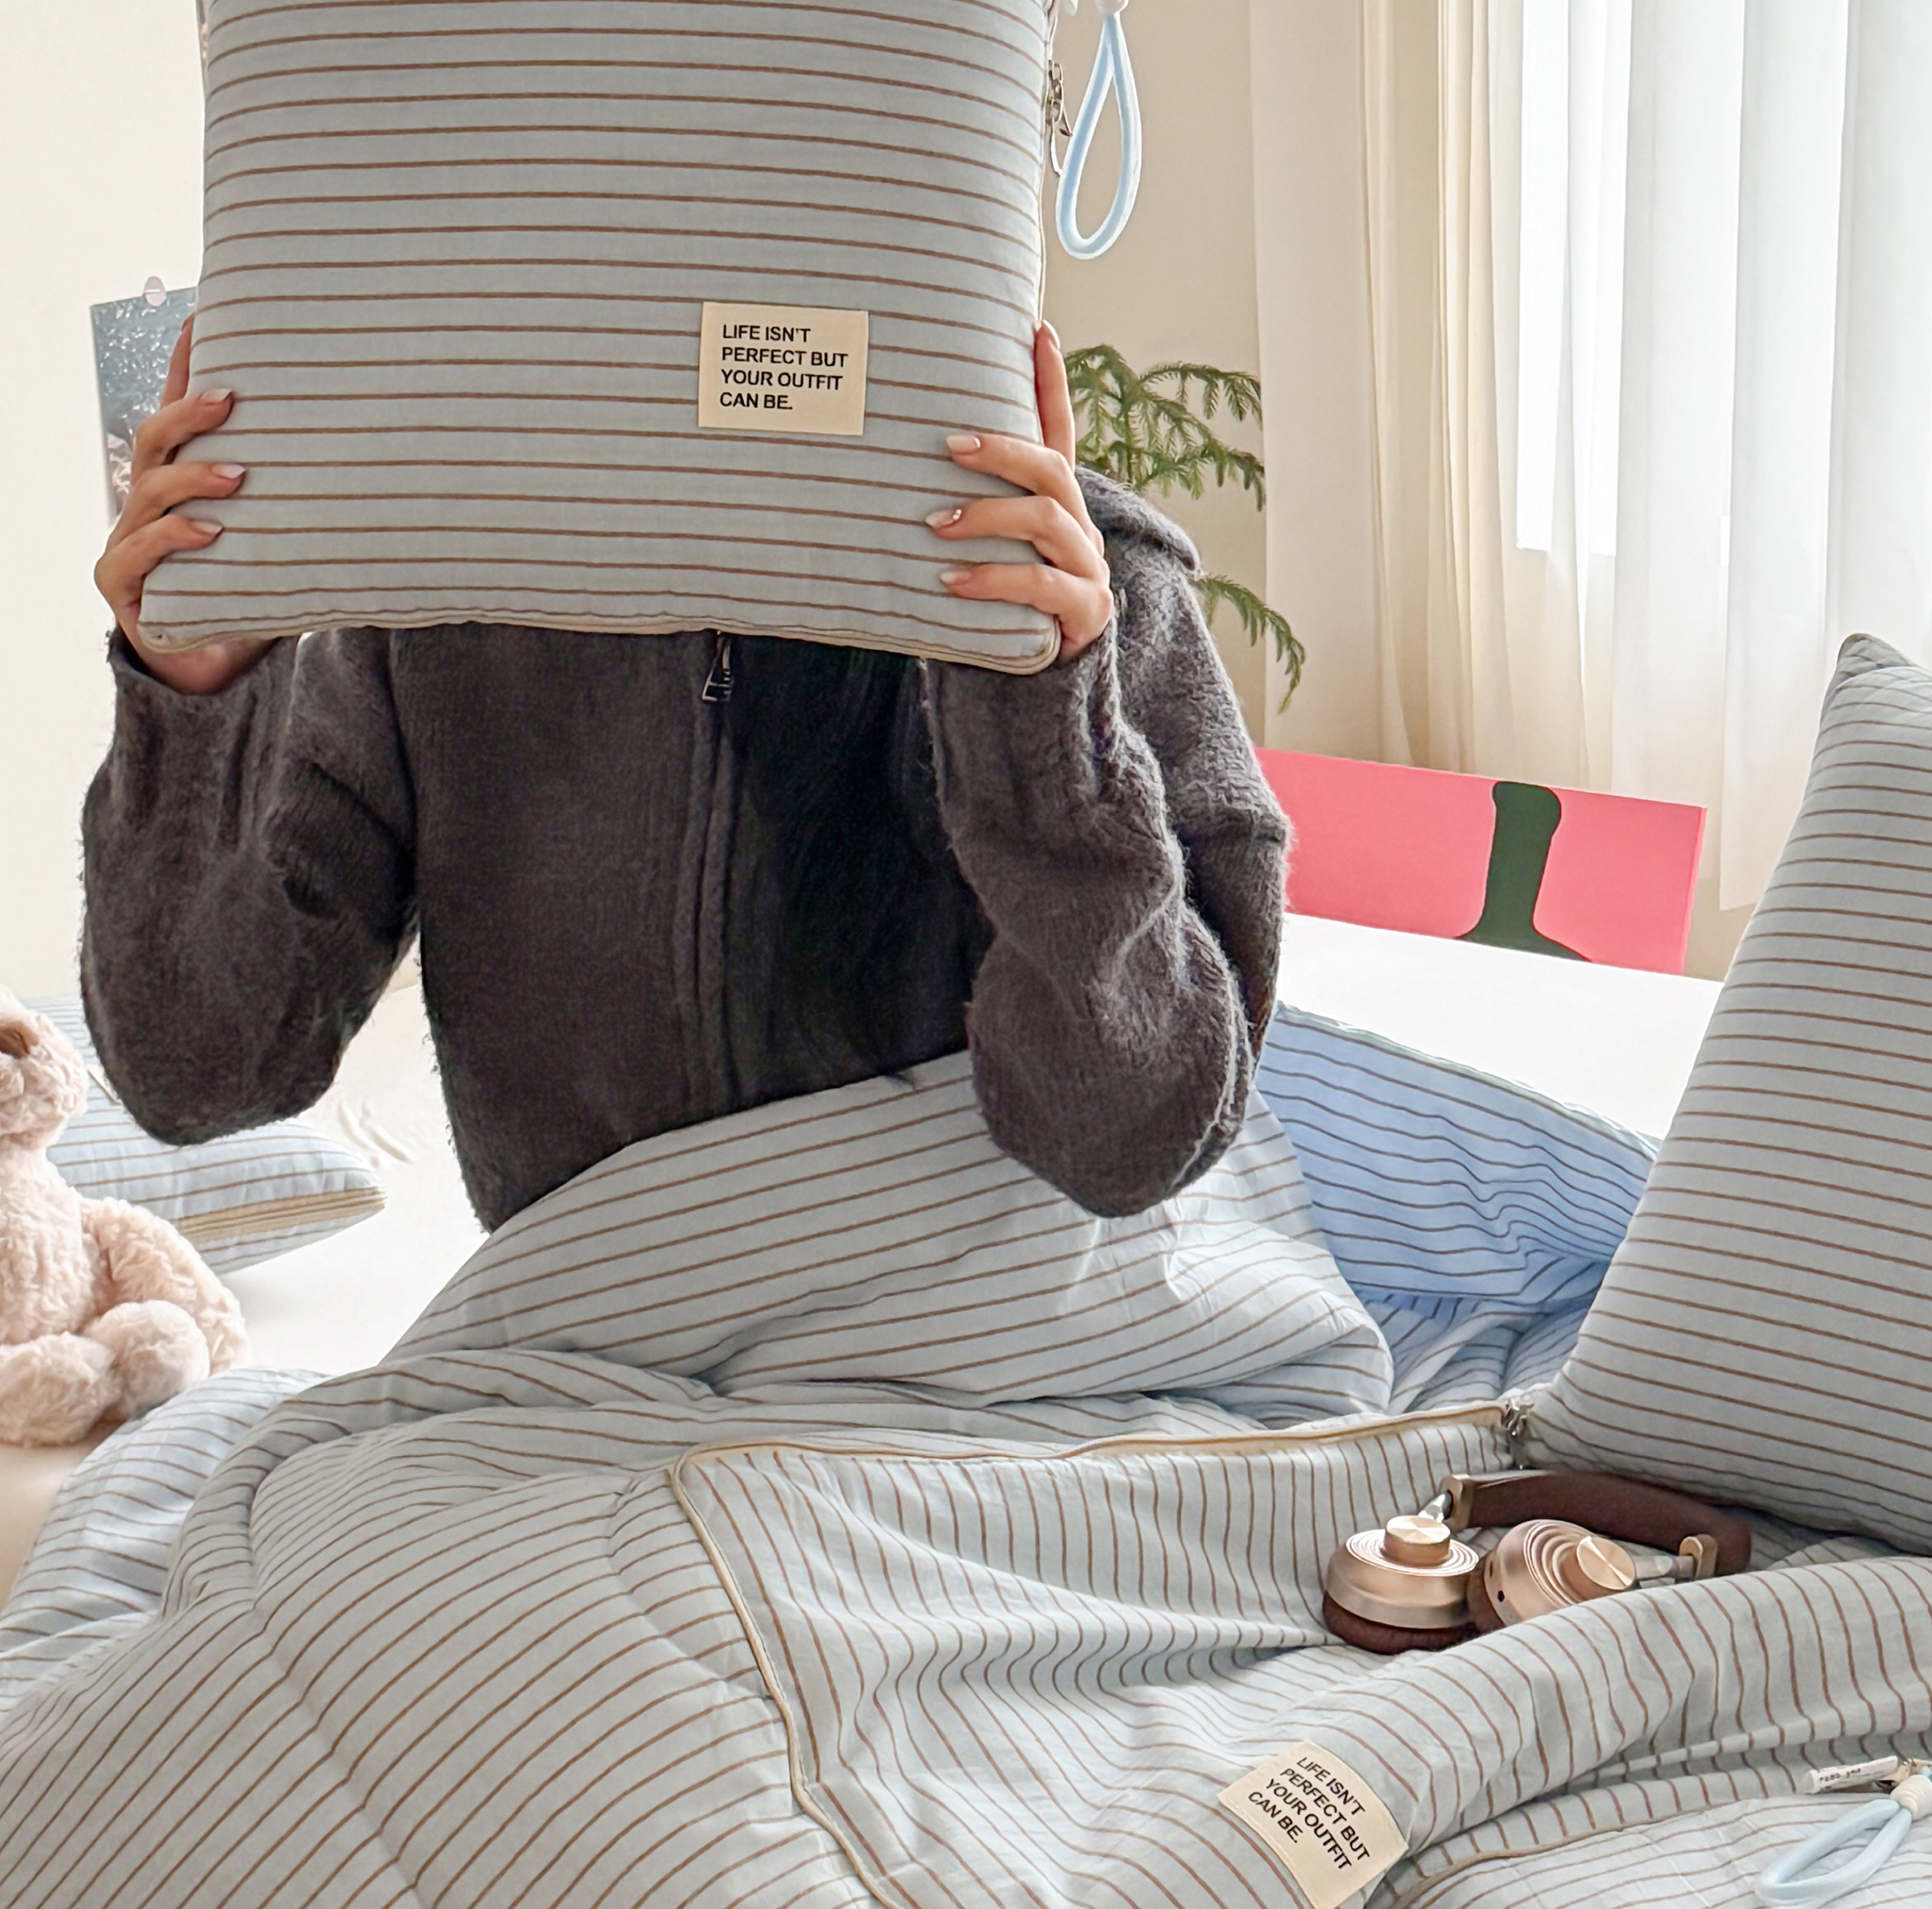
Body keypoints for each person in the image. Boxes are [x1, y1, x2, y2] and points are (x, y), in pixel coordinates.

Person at [82, 318, 1286, 1230]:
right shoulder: (437, 603)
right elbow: (201, 1074)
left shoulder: (1092, 587)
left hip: (1002, 1374)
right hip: (589, 1374)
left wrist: (1043, 721)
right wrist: (195, 698)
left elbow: (1130, 1142)